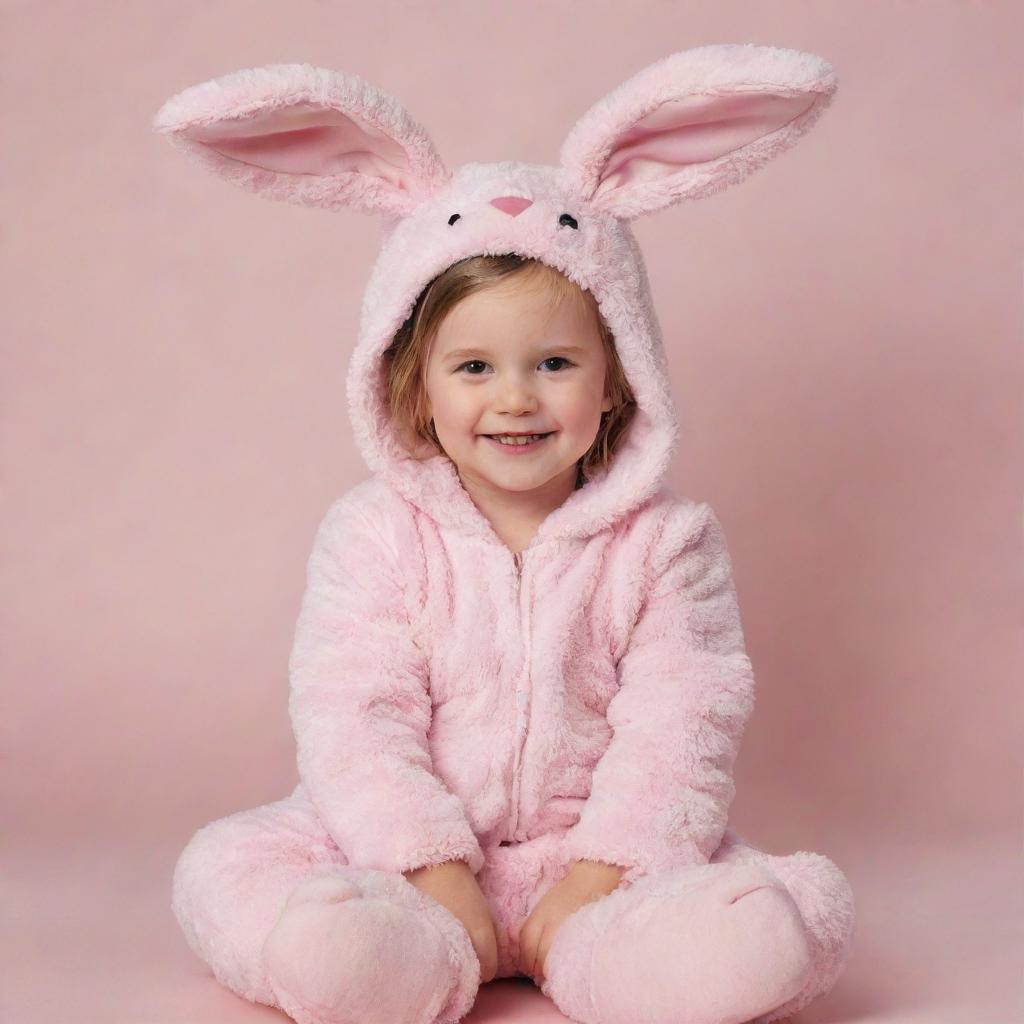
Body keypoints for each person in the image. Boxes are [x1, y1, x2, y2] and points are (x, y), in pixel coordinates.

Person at [155, 44, 855, 1024]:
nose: (516, 398)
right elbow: (354, 715)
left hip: (594, 864)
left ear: (618, 374)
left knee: (767, 907)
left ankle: (655, 953)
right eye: (474, 367)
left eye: (556, 362)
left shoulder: (667, 543)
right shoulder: (373, 536)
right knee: (228, 865)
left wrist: (604, 870)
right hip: (399, 862)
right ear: (411, 381)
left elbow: (681, 723)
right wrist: (430, 868)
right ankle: (378, 955)